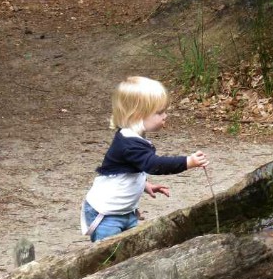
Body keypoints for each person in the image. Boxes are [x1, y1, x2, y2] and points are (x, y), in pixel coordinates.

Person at [81, 76, 209, 242]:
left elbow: (126, 170)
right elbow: (153, 165)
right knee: (110, 253)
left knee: (129, 249)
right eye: (159, 112)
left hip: (125, 211)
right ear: (138, 115)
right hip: (106, 214)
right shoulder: (129, 143)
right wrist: (188, 162)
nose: (165, 116)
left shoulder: (133, 137)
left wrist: (144, 184)